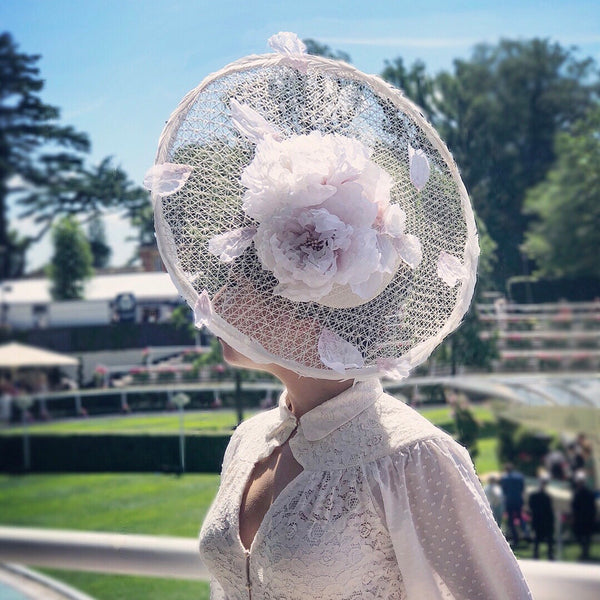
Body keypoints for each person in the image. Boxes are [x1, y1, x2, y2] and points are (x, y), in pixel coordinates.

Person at [145, 32, 532, 599]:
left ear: (308, 312)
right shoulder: (248, 443)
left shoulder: (412, 459)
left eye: (239, 280)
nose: (215, 295)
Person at [571, 470, 597, 560]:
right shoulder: (588, 493)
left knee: (583, 536)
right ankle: (585, 552)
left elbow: (574, 507)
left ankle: (585, 552)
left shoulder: (578, 493)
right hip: (586, 519)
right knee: (585, 537)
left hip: (582, 519)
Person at [528, 474, 555, 559]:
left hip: (539, 518)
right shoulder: (546, 496)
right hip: (542, 519)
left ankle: (540, 553)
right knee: (541, 537)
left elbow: (531, 507)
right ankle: (543, 554)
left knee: (539, 537)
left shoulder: (534, 496)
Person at [500, 462, 527, 547]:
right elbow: (523, 488)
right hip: (518, 500)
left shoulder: (504, 478)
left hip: (509, 501)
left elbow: (504, 490)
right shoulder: (519, 477)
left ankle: (515, 538)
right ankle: (526, 533)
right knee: (520, 517)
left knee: (511, 520)